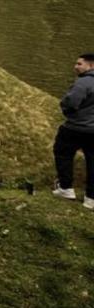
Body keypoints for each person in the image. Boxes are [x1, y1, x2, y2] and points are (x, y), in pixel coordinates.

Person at [52, 53, 94, 208]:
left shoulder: (83, 83)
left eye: (79, 64)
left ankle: (66, 188)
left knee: (62, 153)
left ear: (91, 66)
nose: (75, 67)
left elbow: (70, 102)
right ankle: (91, 199)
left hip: (75, 127)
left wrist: (69, 113)